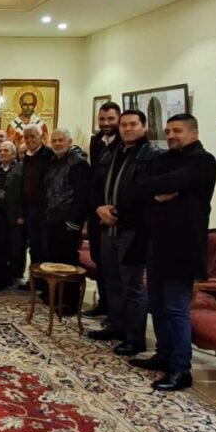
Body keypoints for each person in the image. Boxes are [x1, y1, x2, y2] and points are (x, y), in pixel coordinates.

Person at [128, 114, 216, 391]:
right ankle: (163, 355)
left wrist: (157, 187)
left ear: (194, 133)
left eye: (177, 131)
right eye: (167, 131)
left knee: (176, 309)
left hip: (184, 247)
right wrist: (157, 192)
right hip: (158, 243)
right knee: (156, 304)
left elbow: (165, 181)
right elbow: (139, 185)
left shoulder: (203, 161)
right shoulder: (164, 159)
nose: (171, 136)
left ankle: (181, 369)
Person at [88, 109, 162, 356]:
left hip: (133, 228)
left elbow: (145, 192)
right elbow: (97, 183)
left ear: (144, 127)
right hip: (107, 224)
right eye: (124, 125)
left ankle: (135, 337)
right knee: (111, 279)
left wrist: (117, 211)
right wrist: (99, 208)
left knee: (131, 284)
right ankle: (116, 326)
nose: (127, 129)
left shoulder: (151, 156)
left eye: (133, 124)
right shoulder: (114, 152)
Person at [41, 128, 91, 313]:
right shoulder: (53, 161)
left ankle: (70, 302)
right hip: (52, 218)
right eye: (54, 141)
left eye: (61, 140)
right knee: (54, 259)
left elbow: (82, 195)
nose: (57, 144)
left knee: (68, 262)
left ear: (69, 142)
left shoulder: (78, 163)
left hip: (68, 221)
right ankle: (56, 297)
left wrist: (75, 221)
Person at [85, 102, 122, 317]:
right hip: (95, 210)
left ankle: (116, 313)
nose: (106, 123)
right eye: (102, 119)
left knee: (113, 266)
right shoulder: (97, 141)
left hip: (113, 213)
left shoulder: (123, 144)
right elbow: (94, 178)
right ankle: (104, 303)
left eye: (110, 119)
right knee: (99, 259)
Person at [0, 141, 26, 283]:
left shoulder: (21, 169)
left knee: (15, 243)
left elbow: (24, 194)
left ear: (14, 154)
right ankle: (3, 270)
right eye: (1, 151)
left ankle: (16, 272)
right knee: (0, 241)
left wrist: (21, 214)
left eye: (6, 151)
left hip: (14, 212)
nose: (2, 153)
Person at [20, 124, 54, 283]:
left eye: (33, 136)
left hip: (45, 209)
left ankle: (45, 282)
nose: (29, 140)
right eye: (26, 137)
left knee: (45, 247)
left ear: (41, 137)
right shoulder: (26, 156)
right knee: (34, 246)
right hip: (30, 208)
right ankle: (35, 280)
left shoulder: (49, 155)